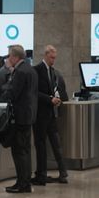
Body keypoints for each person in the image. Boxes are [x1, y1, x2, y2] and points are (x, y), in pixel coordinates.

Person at [0, 44, 38, 194]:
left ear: (15, 57)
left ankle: (23, 183)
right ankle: (24, 181)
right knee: (25, 150)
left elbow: (12, 92)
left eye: (9, 56)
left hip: (20, 117)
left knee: (19, 151)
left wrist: (9, 73)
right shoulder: (31, 69)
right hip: (29, 115)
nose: (8, 59)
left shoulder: (20, 72)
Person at [32, 45, 69, 185]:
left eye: (55, 58)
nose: (53, 60)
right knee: (40, 144)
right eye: (52, 58)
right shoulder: (36, 70)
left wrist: (56, 99)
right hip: (40, 114)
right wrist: (49, 99)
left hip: (51, 113)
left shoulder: (54, 72)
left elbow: (54, 90)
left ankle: (62, 171)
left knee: (56, 143)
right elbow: (34, 91)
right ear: (46, 55)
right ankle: (41, 173)